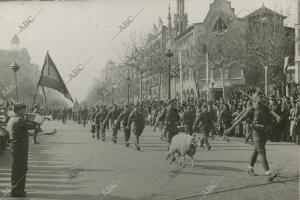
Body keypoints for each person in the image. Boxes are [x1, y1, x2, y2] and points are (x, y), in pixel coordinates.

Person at [226, 88, 279, 181]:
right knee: (262, 151)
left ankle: (250, 167)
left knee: (256, 150)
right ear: (255, 98)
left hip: (264, 133)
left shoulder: (266, 108)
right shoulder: (251, 109)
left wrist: (271, 123)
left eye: (262, 96)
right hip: (256, 133)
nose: (262, 98)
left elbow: (270, 120)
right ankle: (268, 173)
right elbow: (240, 119)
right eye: (259, 96)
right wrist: (231, 128)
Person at [6, 103, 36, 197]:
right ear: (18, 110)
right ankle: (18, 191)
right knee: (21, 169)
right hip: (20, 147)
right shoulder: (19, 119)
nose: (25, 111)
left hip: (15, 146)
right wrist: (36, 120)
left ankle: (16, 190)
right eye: (23, 109)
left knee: (16, 169)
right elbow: (31, 127)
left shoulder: (12, 118)